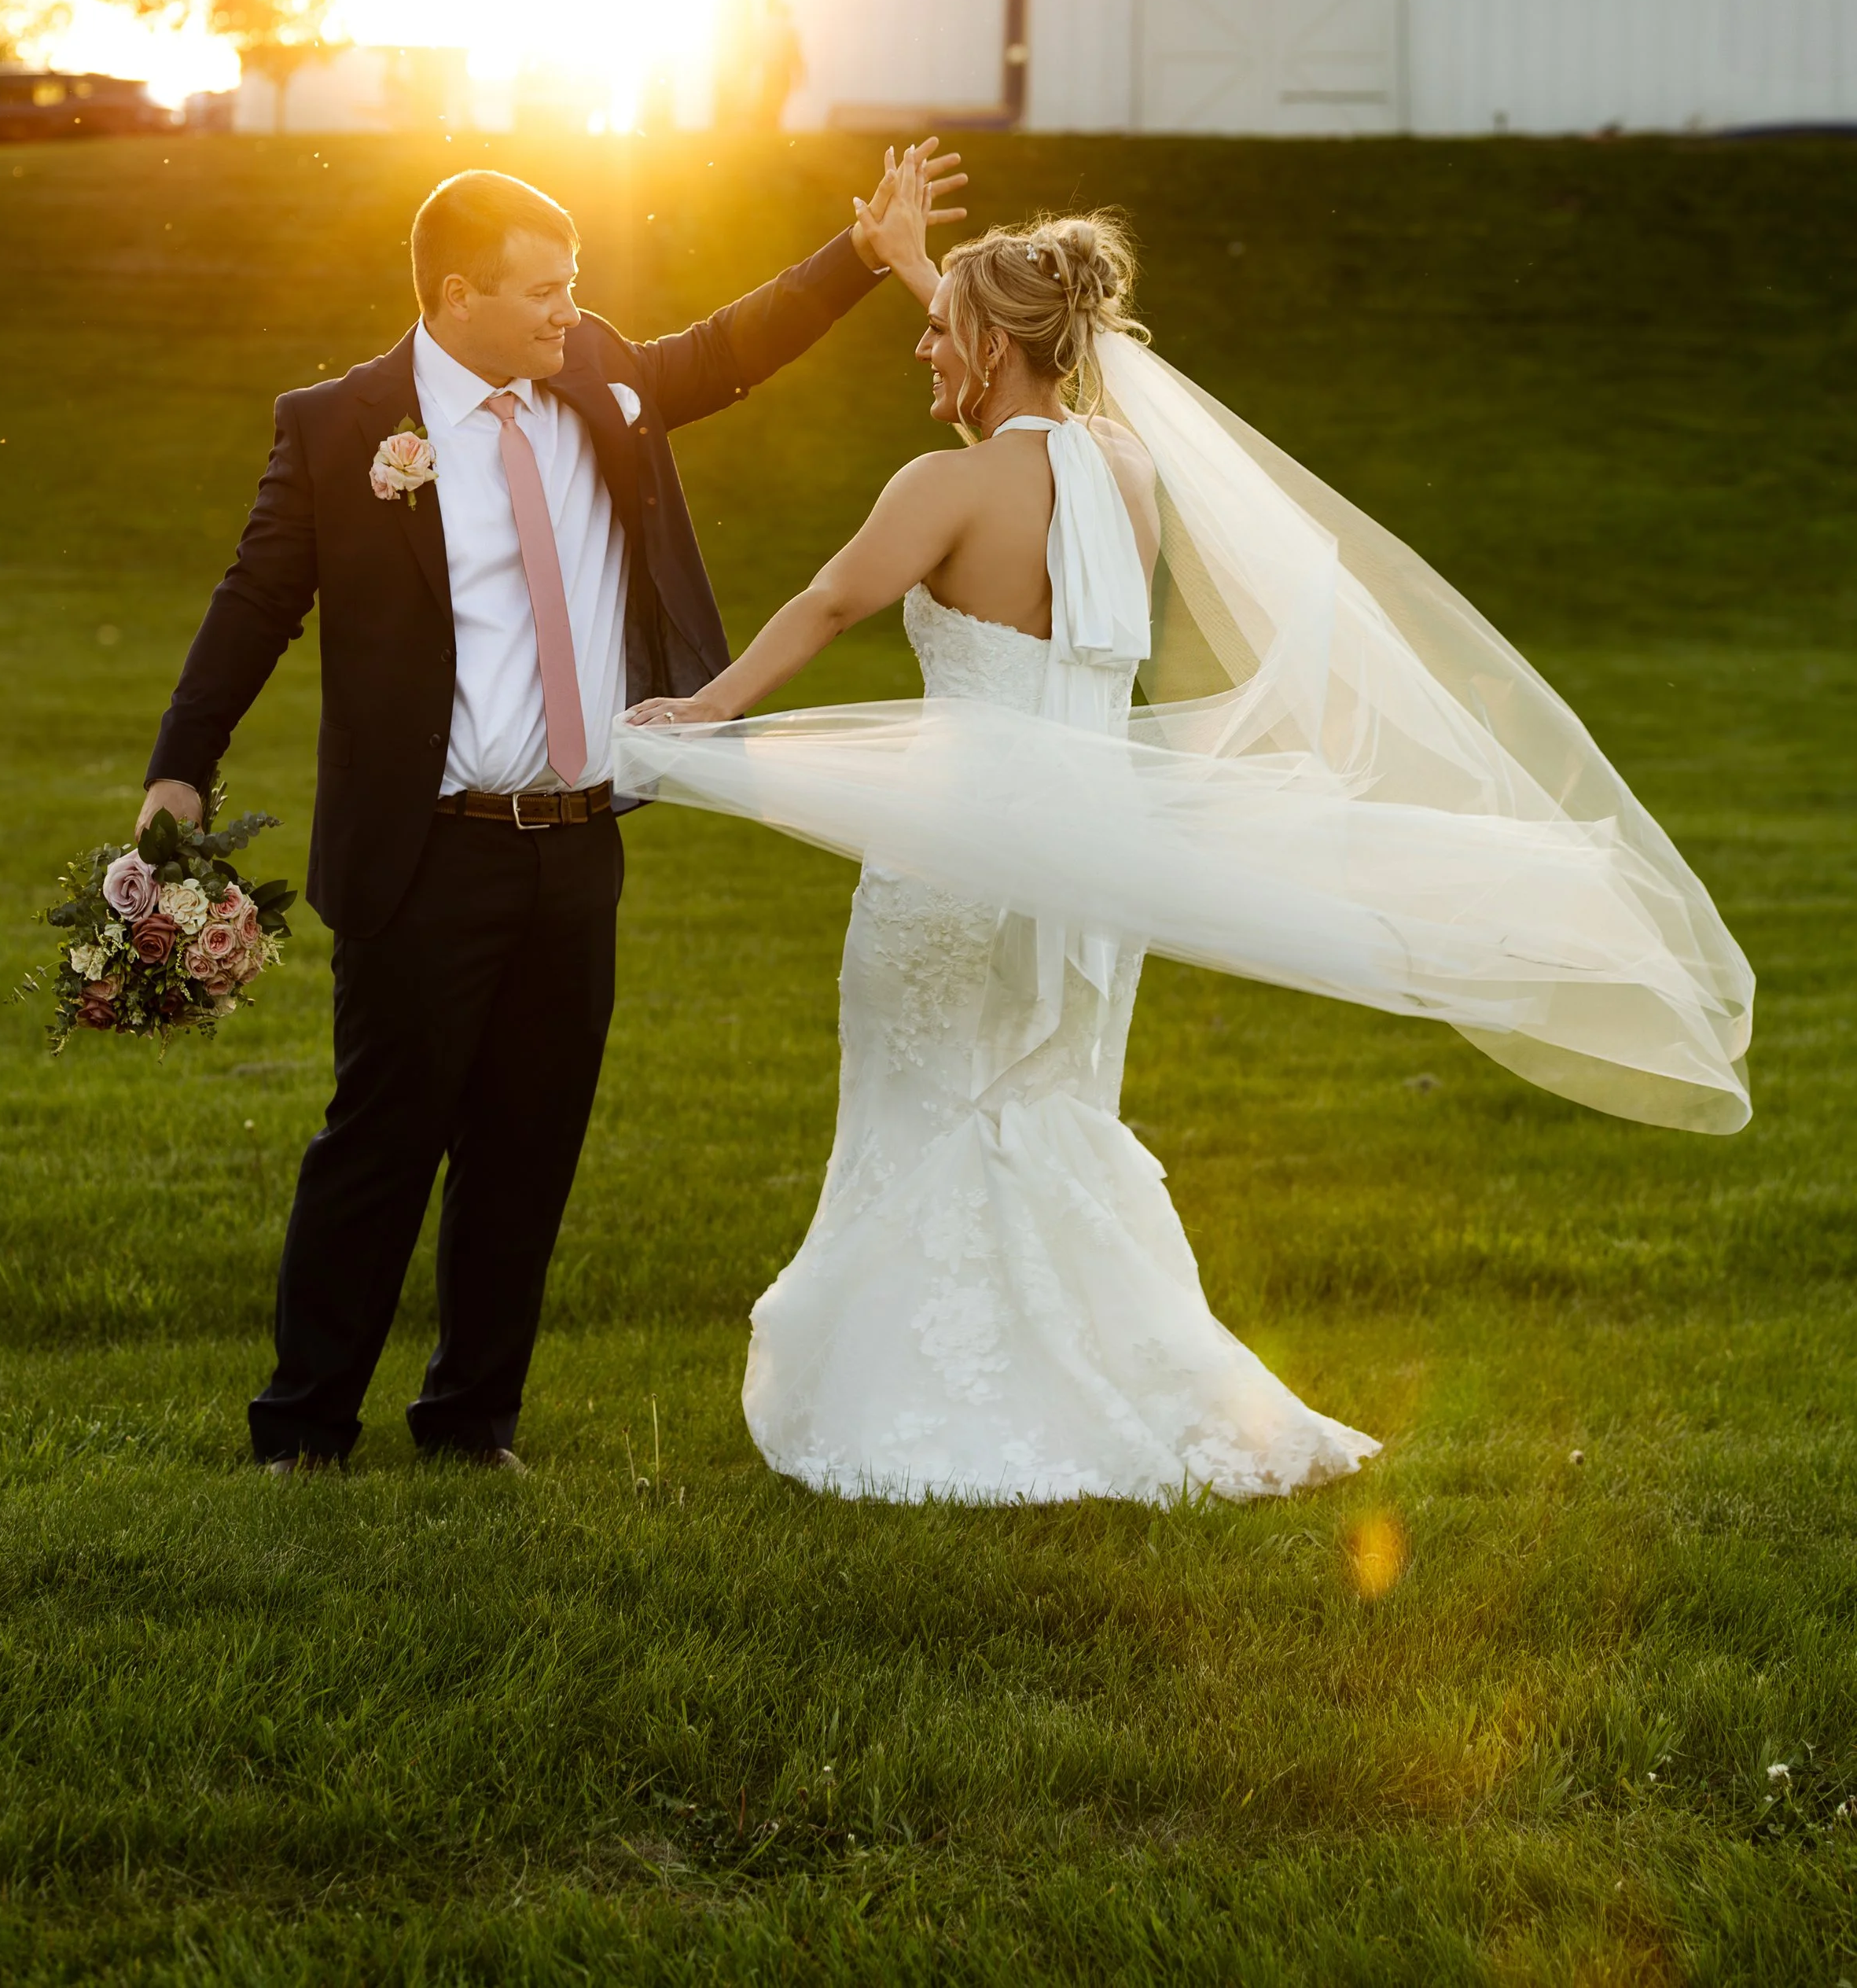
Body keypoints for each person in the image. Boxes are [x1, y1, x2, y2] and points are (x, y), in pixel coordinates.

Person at [620, 209, 1754, 1507]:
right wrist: (931, 275)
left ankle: (936, 1396)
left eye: (939, 334)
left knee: (924, 1102)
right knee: (1042, 1104)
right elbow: (1023, 395)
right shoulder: (1125, 471)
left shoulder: (938, 488)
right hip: (1090, 874)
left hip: (956, 862)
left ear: (990, 345)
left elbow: (829, 600)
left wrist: (708, 711)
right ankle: (1120, 1378)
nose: (920, 350)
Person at [138, 142, 965, 1475]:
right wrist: (183, 762)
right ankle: (303, 1427)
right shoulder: (344, 427)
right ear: (456, 293)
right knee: (382, 1146)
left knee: (529, 1148)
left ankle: (473, 1421)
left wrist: (858, 258)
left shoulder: (597, 378)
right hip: (427, 853)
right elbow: (254, 603)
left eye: (573, 287)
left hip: (580, 849)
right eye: (542, 291)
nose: (567, 312)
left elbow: (724, 351)